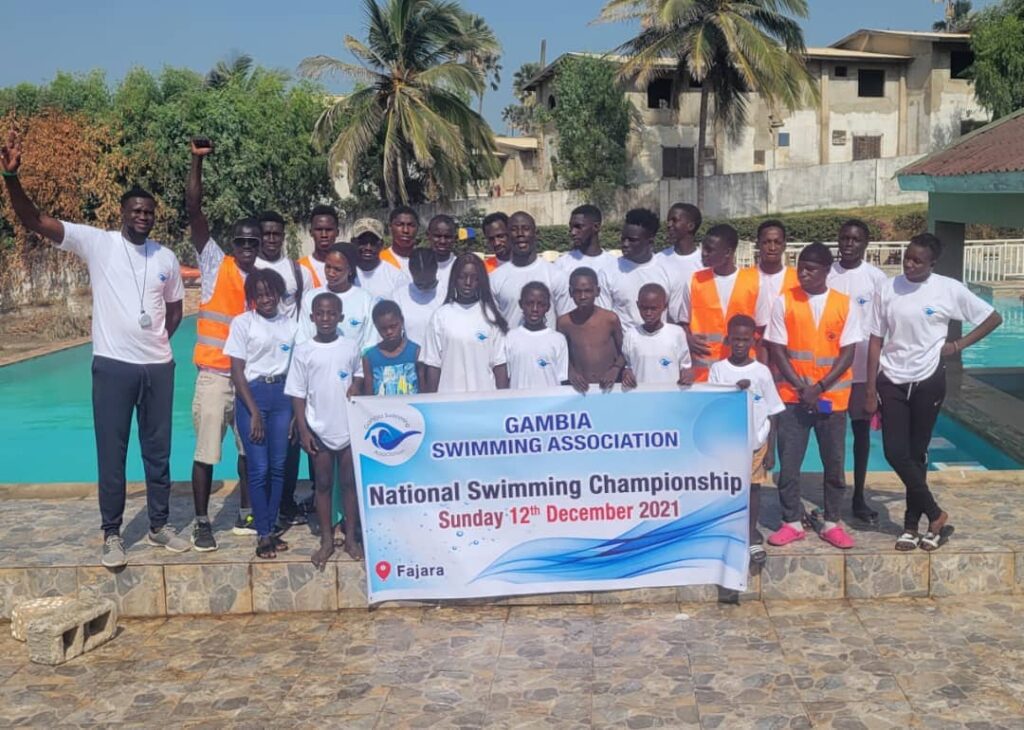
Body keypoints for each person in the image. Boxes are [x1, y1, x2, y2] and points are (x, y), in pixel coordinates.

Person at [1, 130, 188, 567]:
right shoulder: (98, 242)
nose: (143, 216)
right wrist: (10, 177)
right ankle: (112, 533)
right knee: (112, 452)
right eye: (136, 210)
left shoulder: (165, 257)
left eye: (148, 211)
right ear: (122, 213)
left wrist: (155, 342)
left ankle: (159, 526)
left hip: (158, 367)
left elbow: (175, 309)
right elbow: (36, 221)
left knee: (158, 452)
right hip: (113, 367)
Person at [866, 233, 1002, 552]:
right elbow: (875, 339)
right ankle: (936, 513)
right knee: (894, 452)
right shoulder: (887, 288)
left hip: (928, 379)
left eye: (918, 261)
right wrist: (870, 387)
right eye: (907, 257)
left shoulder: (947, 289)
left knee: (917, 453)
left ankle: (911, 526)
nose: (910, 264)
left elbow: (993, 318)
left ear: (932, 263)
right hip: (892, 378)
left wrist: (957, 345)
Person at [765, 243, 860, 550]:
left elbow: (847, 353)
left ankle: (832, 522)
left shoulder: (844, 304)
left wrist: (819, 388)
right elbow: (777, 349)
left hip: (832, 399)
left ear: (826, 271)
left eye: (811, 269)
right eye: (801, 267)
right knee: (789, 463)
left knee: (834, 462)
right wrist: (801, 388)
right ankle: (791, 521)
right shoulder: (785, 301)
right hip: (793, 398)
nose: (803, 273)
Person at [186, 139, 253, 551]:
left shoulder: (265, 279)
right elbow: (194, 210)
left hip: (248, 382)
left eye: (252, 242)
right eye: (241, 242)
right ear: (232, 243)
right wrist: (197, 163)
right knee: (207, 452)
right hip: (214, 377)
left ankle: (247, 512)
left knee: (249, 451)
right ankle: (201, 522)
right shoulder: (216, 266)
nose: (247, 248)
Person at [286, 292, 364, 568]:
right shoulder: (304, 350)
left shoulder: (350, 346)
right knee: (322, 483)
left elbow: (359, 374)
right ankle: (327, 540)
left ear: (340, 317)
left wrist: (356, 385)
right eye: (320, 313)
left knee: (349, 483)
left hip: (348, 427)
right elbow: (297, 393)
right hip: (319, 428)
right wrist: (304, 429)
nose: (326, 318)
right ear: (312, 317)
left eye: (331, 313)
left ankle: (351, 538)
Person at [224, 269, 297, 559]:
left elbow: (297, 368)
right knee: (259, 468)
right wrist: (253, 411)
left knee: (278, 466)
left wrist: (295, 412)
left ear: (278, 293)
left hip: (283, 396)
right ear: (252, 297)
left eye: (270, 293)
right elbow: (236, 371)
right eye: (260, 294)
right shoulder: (243, 323)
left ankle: (271, 526)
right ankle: (263, 533)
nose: (266, 299)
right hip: (252, 396)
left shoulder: (291, 325)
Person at [709, 315, 785, 565]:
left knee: (753, 488)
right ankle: (728, 534)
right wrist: (734, 391)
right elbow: (712, 405)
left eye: (745, 340)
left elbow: (773, 411)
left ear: (753, 341)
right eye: (735, 339)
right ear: (728, 339)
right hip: (728, 445)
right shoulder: (718, 369)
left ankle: (751, 535)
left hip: (756, 443)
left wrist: (771, 449)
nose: (740, 344)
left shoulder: (761, 372)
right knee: (728, 490)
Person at [826, 219, 888, 524]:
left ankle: (859, 495)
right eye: (844, 238)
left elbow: (884, 324)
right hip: (832, 371)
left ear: (865, 243)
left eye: (855, 239)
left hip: (863, 372)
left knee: (861, 434)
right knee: (831, 436)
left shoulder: (876, 278)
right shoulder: (827, 274)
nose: (848, 244)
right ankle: (832, 497)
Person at [679, 224, 770, 382]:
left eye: (709, 250)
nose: (703, 254)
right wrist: (687, 338)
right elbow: (683, 322)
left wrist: (761, 374)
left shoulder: (756, 282)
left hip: (743, 375)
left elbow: (762, 331)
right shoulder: (694, 281)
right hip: (704, 376)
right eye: (703, 248)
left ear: (727, 252)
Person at [421, 253, 510, 393]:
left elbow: (500, 365)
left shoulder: (491, 317)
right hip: (449, 399)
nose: (468, 282)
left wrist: (503, 400)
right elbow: (433, 365)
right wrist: (431, 401)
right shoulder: (440, 316)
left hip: (485, 399)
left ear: (481, 281)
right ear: (454, 279)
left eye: (474, 278)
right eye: (462, 277)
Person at [601, 208, 682, 332]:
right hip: (623, 343)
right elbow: (604, 320)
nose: (625, 244)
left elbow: (675, 318)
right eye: (623, 239)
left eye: (632, 240)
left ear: (650, 241)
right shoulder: (607, 272)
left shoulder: (669, 271)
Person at [490, 211, 571, 329]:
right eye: (514, 229)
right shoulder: (494, 279)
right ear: (508, 236)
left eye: (526, 228)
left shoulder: (556, 276)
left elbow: (566, 324)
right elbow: (492, 327)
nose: (520, 234)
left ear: (536, 234)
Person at [557, 267, 624, 393]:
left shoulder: (610, 319)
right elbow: (560, 356)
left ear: (597, 291)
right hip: (580, 390)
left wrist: (615, 369)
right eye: (577, 291)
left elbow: (625, 351)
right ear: (570, 292)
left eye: (587, 291)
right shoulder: (564, 323)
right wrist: (570, 372)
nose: (583, 296)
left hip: (609, 387)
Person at [298, 243, 377, 352]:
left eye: (337, 269)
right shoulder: (310, 297)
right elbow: (303, 337)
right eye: (328, 267)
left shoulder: (366, 300)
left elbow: (371, 341)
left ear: (350, 270)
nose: (331, 273)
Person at [621, 283, 693, 388]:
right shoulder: (631, 335)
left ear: (664, 306)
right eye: (644, 308)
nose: (648, 313)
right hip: (641, 395)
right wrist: (627, 373)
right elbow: (628, 366)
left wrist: (687, 375)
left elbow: (686, 366)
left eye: (654, 308)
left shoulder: (677, 333)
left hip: (670, 395)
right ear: (637, 305)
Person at [505, 282, 570, 390]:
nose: (535, 309)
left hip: (550, 400)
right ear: (521, 304)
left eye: (540, 304)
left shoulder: (558, 339)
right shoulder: (510, 338)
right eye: (529, 303)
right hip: (518, 400)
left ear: (548, 307)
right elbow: (505, 377)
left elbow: (562, 379)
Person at [256, 210, 313, 320]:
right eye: (266, 234)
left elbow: (306, 312)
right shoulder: (247, 270)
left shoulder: (300, 272)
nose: (271, 239)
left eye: (276, 234)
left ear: (283, 237)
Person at [555, 205, 619, 297]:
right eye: (571, 227)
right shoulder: (561, 264)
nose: (573, 232)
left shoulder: (613, 264)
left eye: (578, 227)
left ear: (596, 227)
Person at [362, 300, 421, 395]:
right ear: (376, 327)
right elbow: (369, 395)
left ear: (402, 321)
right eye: (383, 328)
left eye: (393, 326)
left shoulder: (416, 352)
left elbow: (425, 392)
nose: (389, 332)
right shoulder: (369, 357)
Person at [392, 248, 444, 348]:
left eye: (429, 283)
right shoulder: (398, 296)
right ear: (411, 272)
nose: (424, 286)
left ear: (436, 269)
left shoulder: (447, 294)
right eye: (419, 284)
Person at [352, 217, 410, 302]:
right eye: (362, 241)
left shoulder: (397, 278)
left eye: (373, 242)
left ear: (381, 244)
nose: (368, 247)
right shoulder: (342, 274)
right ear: (352, 242)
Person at [657, 202, 704, 286]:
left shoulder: (705, 263)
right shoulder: (659, 260)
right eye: (668, 221)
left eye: (674, 220)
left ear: (691, 226)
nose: (669, 225)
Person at [751, 219, 799, 299]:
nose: (772, 248)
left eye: (777, 242)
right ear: (758, 245)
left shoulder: (798, 279)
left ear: (784, 246)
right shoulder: (743, 279)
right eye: (766, 242)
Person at [298, 205, 341, 288]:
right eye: (319, 229)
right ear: (311, 232)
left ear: (337, 232)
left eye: (329, 230)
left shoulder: (347, 267)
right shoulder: (299, 267)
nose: (324, 235)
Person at [380, 205, 420, 274]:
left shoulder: (425, 261)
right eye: (399, 224)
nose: (405, 230)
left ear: (418, 227)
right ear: (390, 227)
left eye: (411, 225)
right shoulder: (380, 260)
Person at [425, 214, 458, 292]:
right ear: (428, 235)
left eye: (448, 237)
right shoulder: (416, 266)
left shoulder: (461, 268)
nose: (442, 241)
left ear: (455, 238)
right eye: (437, 236)